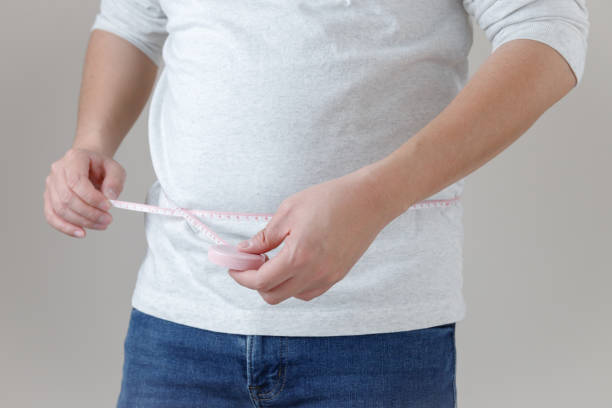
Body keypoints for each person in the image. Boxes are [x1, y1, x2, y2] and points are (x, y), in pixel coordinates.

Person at [43, 0, 589, 406]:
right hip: (176, 326)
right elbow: (131, 20)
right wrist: (91, 142)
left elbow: (547, 28)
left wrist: (378, 197)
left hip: (376, 335)